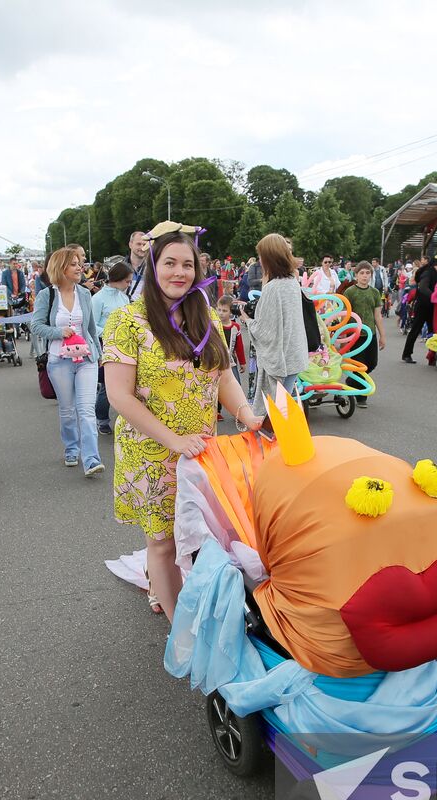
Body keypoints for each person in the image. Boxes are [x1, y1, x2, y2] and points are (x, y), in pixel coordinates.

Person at [101, 223, 262, 619]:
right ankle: (180, 629)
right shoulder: (127, 321)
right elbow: (119, 395)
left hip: (202, 453)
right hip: (152, 453)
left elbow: (223, 375)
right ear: (153, 266)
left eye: (187, 264)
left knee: (197, 535)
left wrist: (246, 415)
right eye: (169, 262)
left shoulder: (205, 313)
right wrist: (172, 439)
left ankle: (166, 586)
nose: (179, 272)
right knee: (163, 544)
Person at [32, 247, 105, 477]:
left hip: (86, 359)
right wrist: (58, 331)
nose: (79, 267)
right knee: (67, 410)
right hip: (59, 361)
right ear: (61, 267)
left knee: (85, 409)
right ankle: (71, 448)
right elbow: (35, 326)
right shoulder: (47, 295)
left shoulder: (84, 293)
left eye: (79, 263)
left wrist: (99, 353)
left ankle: (91, 459)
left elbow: (91, 328)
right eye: (73, 264)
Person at [242, 233, 309, 411]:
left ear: (269, 258)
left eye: (261, 256)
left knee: (273, 413)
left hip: (281, 361)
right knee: (283, 407)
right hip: (294, 356)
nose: (260, 260)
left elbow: (265, 331)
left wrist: (247, 320)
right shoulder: (292, 282)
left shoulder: (274, 288)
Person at [91, 261, 133, 435]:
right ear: (118, 279)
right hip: (105, 345)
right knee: (107, 386)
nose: (129, 285)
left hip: (125, 344)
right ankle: (102, 419)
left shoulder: (124, 297)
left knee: (127, 385)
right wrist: (111, 332)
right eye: (127, 281)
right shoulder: (98, 298)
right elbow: (91, 325)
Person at [341, 261, 384, 406]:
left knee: (371, 363)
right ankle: (361, 396)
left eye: (367, 273)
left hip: (370, 334)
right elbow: (346, 315)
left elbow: (377, 315)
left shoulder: (375, 292)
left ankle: (352, 380)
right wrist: (344, 336)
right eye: (362, 273)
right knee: (360, 365)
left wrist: (382, 336)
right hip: (355, 335)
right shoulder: (350, 292)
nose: (365, 276)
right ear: (356, 275)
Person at [400, 253, 437, 363]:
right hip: (422, 306)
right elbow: (423, 288)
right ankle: (406, 354)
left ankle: (432, 356)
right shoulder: (428, 273)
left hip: (432, 307)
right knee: (415, 330)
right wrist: (435, 297)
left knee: (434, 332)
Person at [125, 231, 149, 300]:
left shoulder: (152, 268)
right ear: (130, 245)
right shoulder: (120, 267)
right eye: (138, 244)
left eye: (144, 244)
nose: (142, 247)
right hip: (122, 309)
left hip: (143, 308)